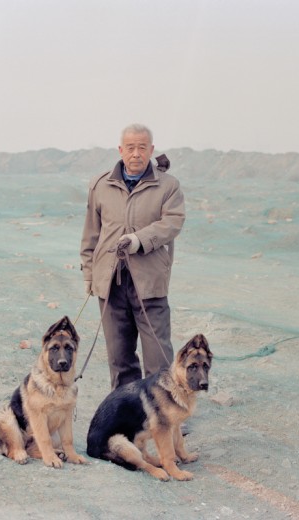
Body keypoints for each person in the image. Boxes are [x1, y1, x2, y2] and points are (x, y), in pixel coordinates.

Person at [80, 124, 186, 390]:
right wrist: (89, 274)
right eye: (130, 147)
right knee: (119, 356)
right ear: (120, 150)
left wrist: (138, 240)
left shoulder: (168, 186)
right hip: (110, 281)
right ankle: (126, 408)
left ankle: (164, 408)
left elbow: (172, 223)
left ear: (151, 150)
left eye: (142, 147)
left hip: (150, 280)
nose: (136, 153)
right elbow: (91, 232)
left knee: (158, 356)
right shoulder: (100, 185)